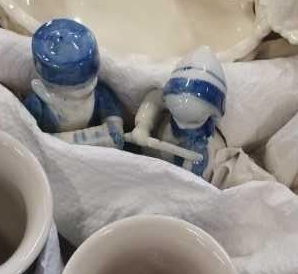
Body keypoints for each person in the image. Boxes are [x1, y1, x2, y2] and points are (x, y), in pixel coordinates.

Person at [126, 46, 228, 179]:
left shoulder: (209, 142)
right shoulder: (165, 97)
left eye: (194, 120)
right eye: (174, 111)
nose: (182, 124)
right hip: (155, 154)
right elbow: (153, 100)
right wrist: (143, 126)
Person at [23, 19, 125, 148]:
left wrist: (114, 128)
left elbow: (113, 115)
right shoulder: (37, 104)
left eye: (89, 82)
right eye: (76, 88)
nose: (87, 88)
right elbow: (28, 135)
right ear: (43, 88)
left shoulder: (99, 94)